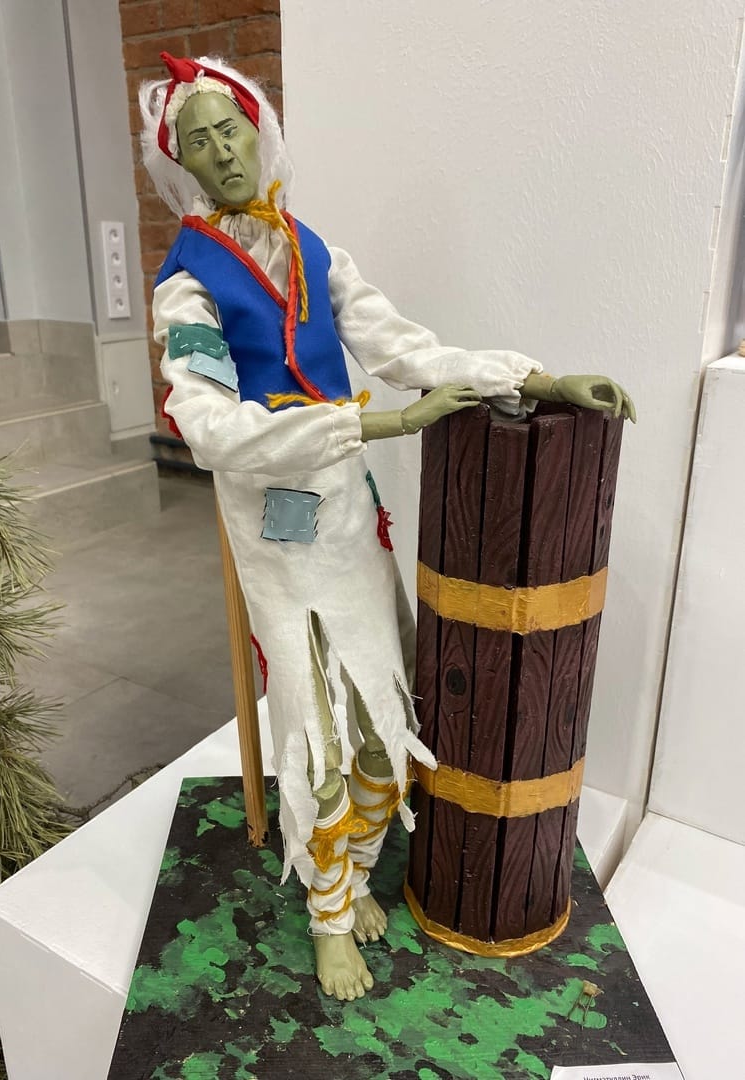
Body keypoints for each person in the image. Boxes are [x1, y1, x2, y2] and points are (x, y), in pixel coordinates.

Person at [140, 53, 634, 1002]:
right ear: (181, 163)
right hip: (275, 532)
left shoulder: (314, 250)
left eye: (231, 128)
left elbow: (405, 347)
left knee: (380, 721)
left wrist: (537, 378)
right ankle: (329, 917)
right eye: (198, 140)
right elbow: (209, 429)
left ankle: (357, 870)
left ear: (259, 132)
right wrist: (373, 424)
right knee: (315, 734)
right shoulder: (186, 286)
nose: (222, 150)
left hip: (347, 518)